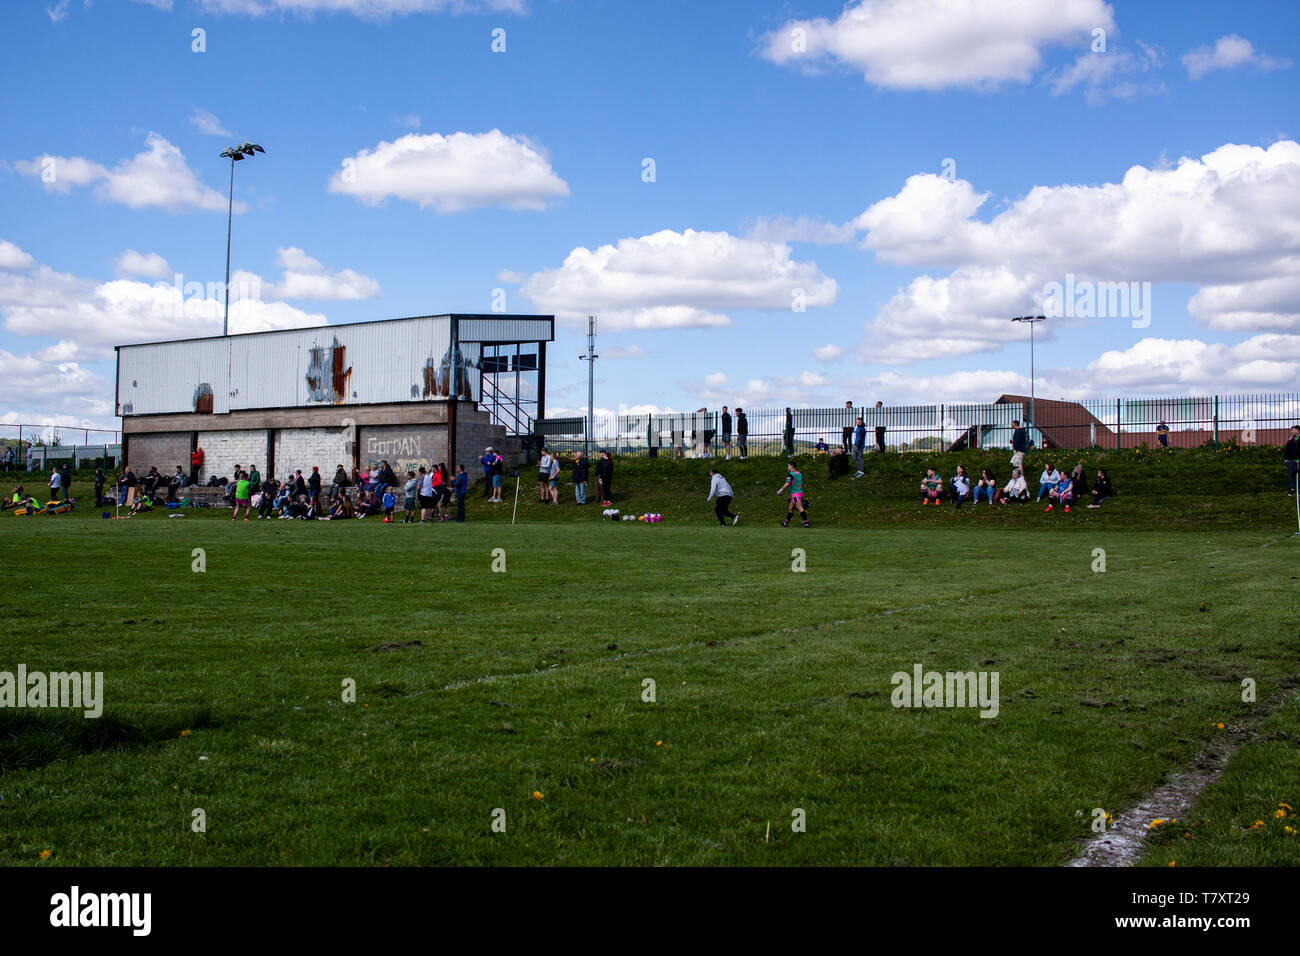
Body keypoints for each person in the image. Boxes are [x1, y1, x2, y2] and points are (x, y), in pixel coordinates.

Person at [777, 460, 809, 527]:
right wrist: (799, 490)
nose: (787, 467)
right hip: (798, 493)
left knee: (800, 508)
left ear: (791, 466)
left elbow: (787, 483)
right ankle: (786, 523)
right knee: (790, 508)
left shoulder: (791, 474)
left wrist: (780, 490)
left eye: (788, 466)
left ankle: (806, 523)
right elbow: (801, 483)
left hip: (795, 494)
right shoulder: (799, 473)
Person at [1286, 425, 1300, 496]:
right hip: (1291, 460)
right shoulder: (1290, 439)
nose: (1291, 432)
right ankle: (1292, 489)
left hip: (1299, 460)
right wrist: (1286, 459)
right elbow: (1287, 449)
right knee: (1292, 474)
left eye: (1293, 430)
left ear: (1297, 430)